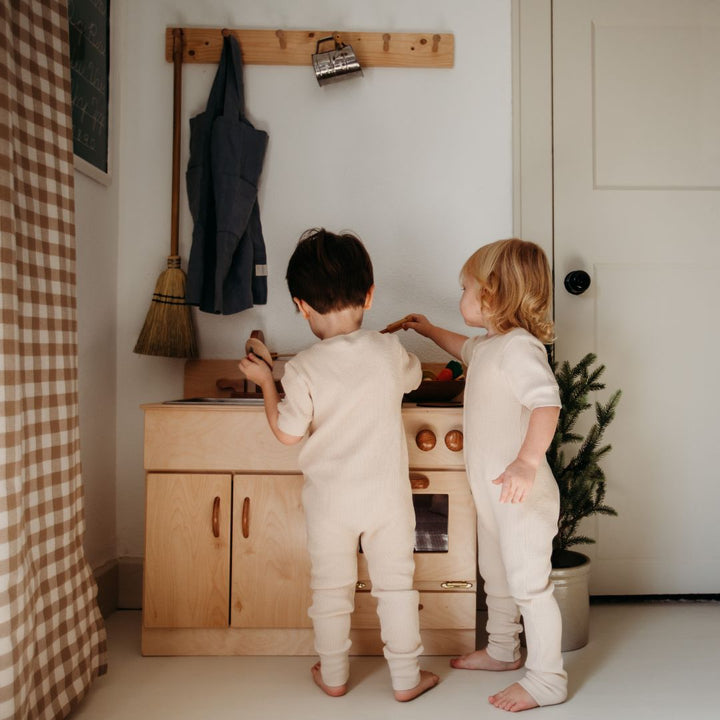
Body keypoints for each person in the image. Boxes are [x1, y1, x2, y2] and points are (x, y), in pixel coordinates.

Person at [239, 228, 439, 702]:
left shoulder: (303, 368)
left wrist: (268, 381)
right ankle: (407, 679)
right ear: (369, 295)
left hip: (330, 502)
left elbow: (288, 432)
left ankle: (333, 677)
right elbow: (414, 377)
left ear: (300, 305)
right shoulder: (389, 352)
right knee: (396, 587)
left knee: (330, 590)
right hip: (387, 500)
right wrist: (389, 348)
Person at [401, 238, 567, 712]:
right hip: (496, 497)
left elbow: (546, 403)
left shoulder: (519, 349)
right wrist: (432, 331)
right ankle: (501, 650)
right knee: (496, 575)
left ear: (491, 295)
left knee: (529, 586)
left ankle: (548, 679)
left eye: (465, 288)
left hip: (522, 496)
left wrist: (528, 462)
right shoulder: (493, 346)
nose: (461, 296)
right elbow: (464, 347)